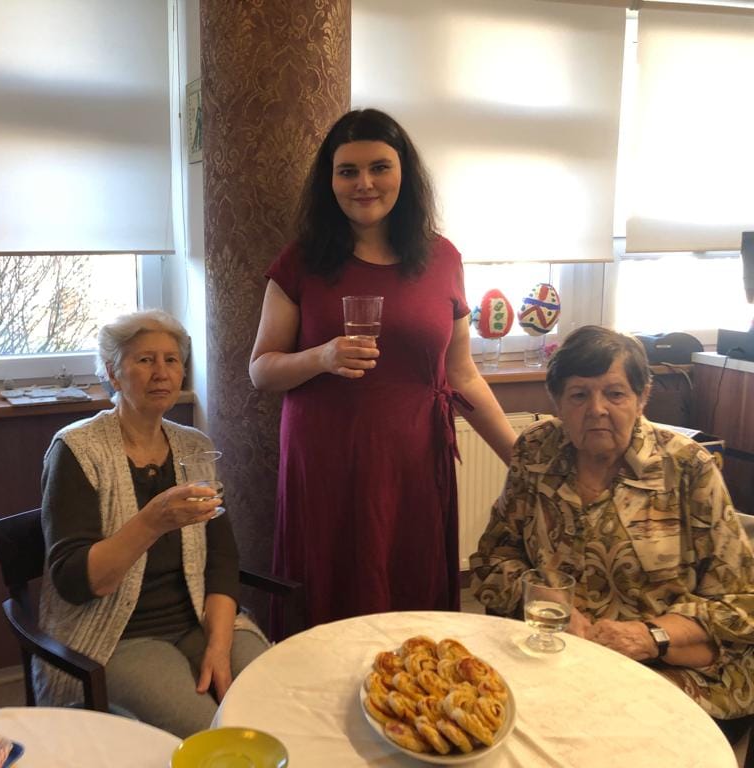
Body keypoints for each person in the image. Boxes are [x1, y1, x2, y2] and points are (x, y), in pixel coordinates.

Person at [249, 108, 516, 627]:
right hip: (327, 457)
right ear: (329, 181)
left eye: (379, 167)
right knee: (332, 591)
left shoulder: (443, 258)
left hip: (415, 459)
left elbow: (461, 374)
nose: (364, 184)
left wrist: (520, 457)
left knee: (410, 595)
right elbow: (261, 370)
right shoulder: (302, 260)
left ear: (404, 173)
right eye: (347, 171)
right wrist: (322, 356)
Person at [470, 325, 754, 723]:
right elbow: (493, 559)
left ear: (642, 397)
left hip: (664, 663)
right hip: (558, 652)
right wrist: (545, 600)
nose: (597, 409)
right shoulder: (536, 452)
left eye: (615, 393)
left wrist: (651, 635)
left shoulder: (687, 467)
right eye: (579, 395)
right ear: (557, 401)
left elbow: (742, 601)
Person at [35, 309, 267, 738]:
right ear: (113, 373)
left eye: (172, 360)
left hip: (198, 620)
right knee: (211, 733)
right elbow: (75, 582)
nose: (161, 372)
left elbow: (221, 560)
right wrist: (152, 521)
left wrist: (219, 647)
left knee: (272, 704)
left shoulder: (194, 447)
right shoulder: (77, 450)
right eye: (145, 360)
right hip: (116, 636)